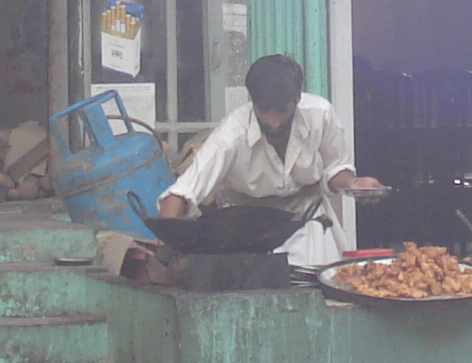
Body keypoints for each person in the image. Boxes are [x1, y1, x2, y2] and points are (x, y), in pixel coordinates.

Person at [160, 54, 381, 270]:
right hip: (244, 233)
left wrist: (354, 185)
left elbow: (335, 169)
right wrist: (169, 241)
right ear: (253, 102)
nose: (273, 123)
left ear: (296, 99)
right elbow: (182, 192)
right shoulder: (231, 135)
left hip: (307, 224)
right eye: (264, 111)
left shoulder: (320, 115)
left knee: (319, 293)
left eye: (281, 111)